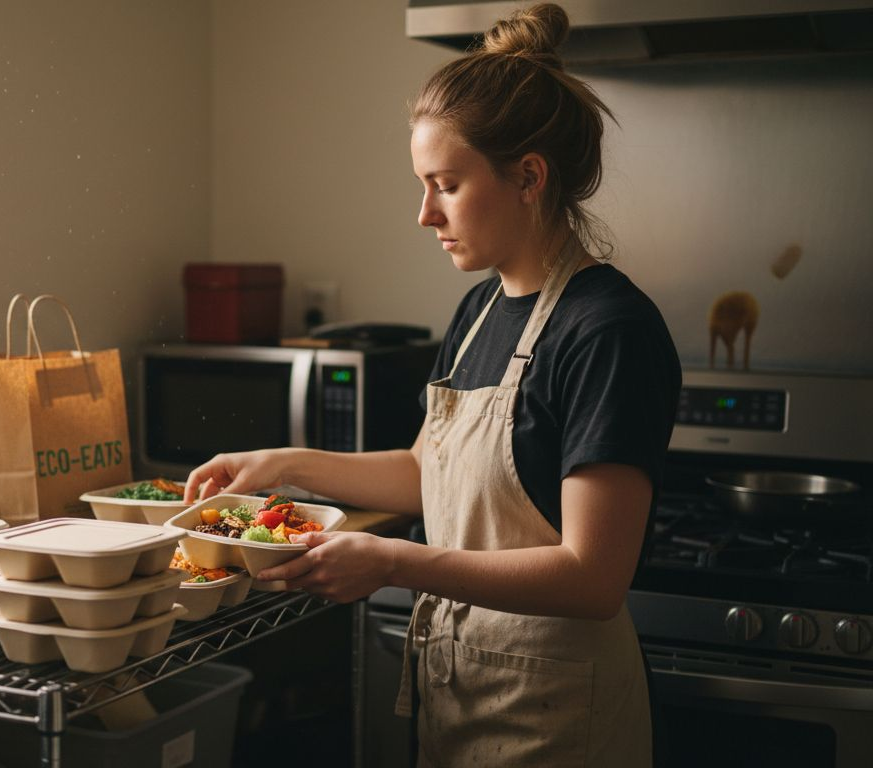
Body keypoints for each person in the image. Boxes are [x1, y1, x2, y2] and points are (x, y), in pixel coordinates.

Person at [183, 3, 680, 765]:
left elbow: (592, 578)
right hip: (463, 692)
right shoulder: (481, 311)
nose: (425, 214)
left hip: (558, 718)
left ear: (529, 177)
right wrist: (278, 466)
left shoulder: (609, 331)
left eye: (445, 184)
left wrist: (390, 562)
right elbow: (427, 474)